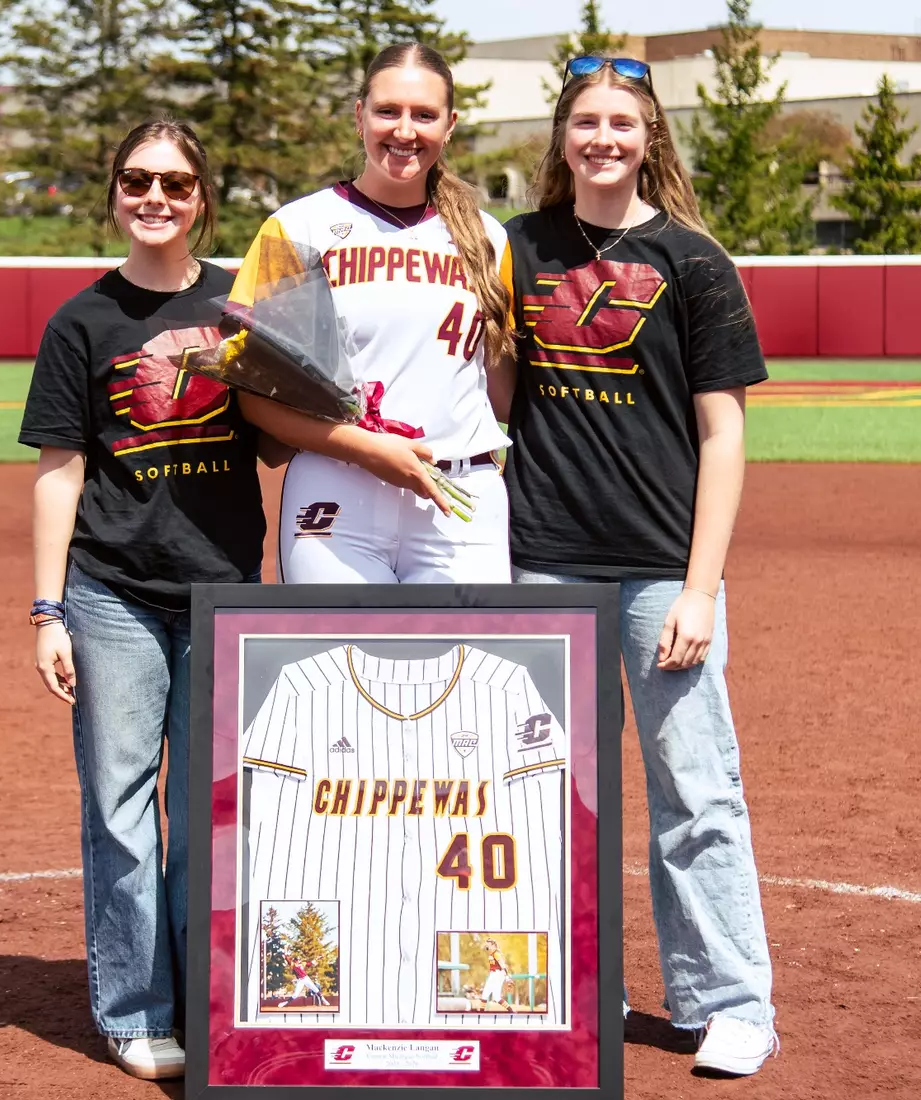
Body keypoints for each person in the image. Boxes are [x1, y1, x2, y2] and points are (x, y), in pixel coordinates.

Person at [498, 57, 779, 1077]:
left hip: (662, 569)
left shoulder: (694, 260)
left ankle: (729, 999)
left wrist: (702, 585)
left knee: (695, 790)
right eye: (586, 121)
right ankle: (578, 985)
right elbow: (489, 393)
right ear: (562, 136)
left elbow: (725, 434)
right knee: (550, 789)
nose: (603, 138)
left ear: (649, 134)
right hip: (544, 564)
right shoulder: (516, 249)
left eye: (622, 121)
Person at [17, 118, 267, 1082]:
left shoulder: (243, 306)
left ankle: (207, 999)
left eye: (173, 181)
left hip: (223, 593)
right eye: (135, 180)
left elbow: (282, 438)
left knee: (210, 811)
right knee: (120, 809)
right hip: (113, 592)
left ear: (202, 194)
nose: (154, 197)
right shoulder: (82, 322)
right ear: (114, 192)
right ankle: (133, 1009)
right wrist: (47, 612)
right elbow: (60, 471)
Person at [229, 42, 516, 584]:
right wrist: (367, 448)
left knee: (460, 669)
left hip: (460, 491)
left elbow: (503, 391)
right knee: (341, 667)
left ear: (450, 125)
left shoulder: (488, 237)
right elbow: (255, 398)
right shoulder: (298, 229)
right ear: (359, 115)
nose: (405, 130)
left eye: (424, 115)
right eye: (388, 111)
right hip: (337, 484)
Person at [482, 940, 507, 1005]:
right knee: (496, 997)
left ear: (493, 945)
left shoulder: (496, 953)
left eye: (489, 945)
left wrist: (506, 975)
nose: (487, 946)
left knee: (485, 995)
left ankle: (481, 1012)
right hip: (495, 974)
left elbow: (502, 964)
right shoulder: (492, 953)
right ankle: (511, 1011)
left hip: (497, 973)